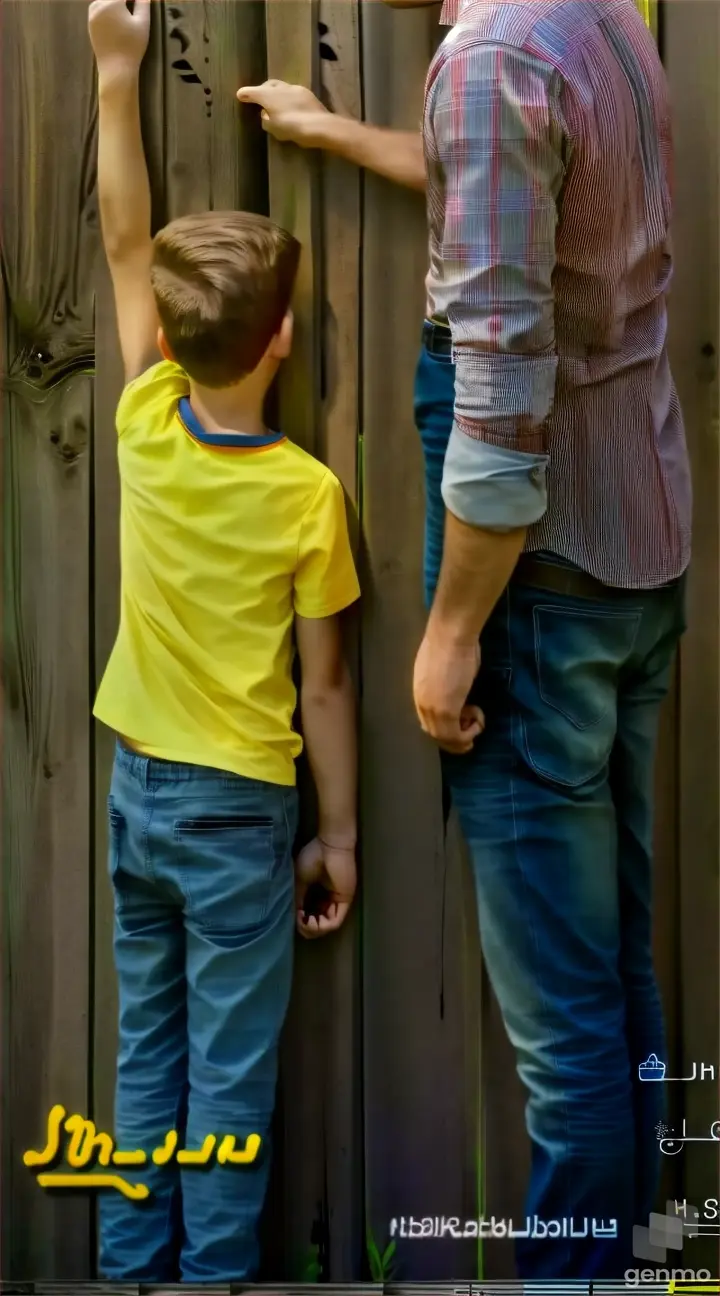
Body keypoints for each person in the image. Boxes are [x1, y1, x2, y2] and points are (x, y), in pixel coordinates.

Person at [240, 0, 691, 1281]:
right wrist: (336, 132)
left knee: (563, 1044)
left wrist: (451, 635)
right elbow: (506, 184)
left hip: (534, 589)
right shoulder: (588, 15)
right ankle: (638, 1269)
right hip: (631, 549)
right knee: (616, 982)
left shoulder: (493, 57)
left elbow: (498, 397)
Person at [88, 0, 360, 1281]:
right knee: (230, 1073)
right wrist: (341, 834)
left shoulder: (147, 419)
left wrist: (114, 74)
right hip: (239, 804)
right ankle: (208, 1282)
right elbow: (327, 681)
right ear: (287, 340)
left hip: (135, 788)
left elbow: (125, 235)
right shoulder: (308, 495)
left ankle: (131, 1268)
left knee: (147, 1051)